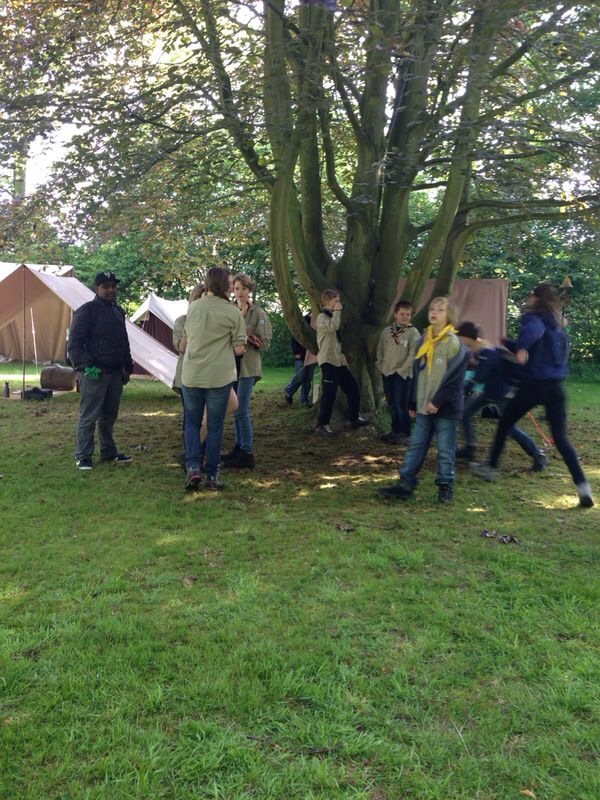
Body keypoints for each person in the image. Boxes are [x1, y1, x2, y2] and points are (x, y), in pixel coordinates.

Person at [470, 283, 594, 508]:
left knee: (505, 422)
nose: (528, 298)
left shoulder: (533, 318)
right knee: (561, 438)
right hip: (556, 387)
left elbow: (532, 336)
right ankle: (583, 487)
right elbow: (545, 348)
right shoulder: (555, 323)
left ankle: (490, 467)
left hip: (533, 386)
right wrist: (509, 343)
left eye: (530, 294)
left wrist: (521, 348)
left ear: (535, 297)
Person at [378, 296, 469, 503]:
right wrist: (412, 402)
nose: (434, 312)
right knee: (416, 445)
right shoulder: (423, 341)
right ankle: (405, 483)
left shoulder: (453, 344)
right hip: (423, 406)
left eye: (440, 310)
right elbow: (416, 374)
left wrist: (437, 401)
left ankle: (445, 486)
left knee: (445, 450)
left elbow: (454, 382)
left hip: (445, 408)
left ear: (449, 315)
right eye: (432, 309)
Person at [180, 267, 246, 491]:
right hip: (219, 376)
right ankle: (211, 474)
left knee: (192, 422)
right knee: (215, 425)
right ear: (226, 285)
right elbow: (239, 349)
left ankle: (192, 467)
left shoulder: (194, 307)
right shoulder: (233, 312)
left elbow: (187, 339)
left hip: (192, 374)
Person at [455, 321, 548, 470]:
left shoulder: (485, 351)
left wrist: (463, 391)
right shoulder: (481, 349)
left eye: (459, 336)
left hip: (501, 394)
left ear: (466, 337)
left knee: (509, 428)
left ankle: (538, 455)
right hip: (492, 392)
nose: (458, 339)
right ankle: (469, 447)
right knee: (466, 413)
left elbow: (480, 377)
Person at [68, 271, 134, 470]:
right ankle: (83, 456)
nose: (110, 290)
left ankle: (108, 451)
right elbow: (74, 344)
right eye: (105, 286)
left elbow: (123, 341)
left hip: (115, 373)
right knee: (89, 416)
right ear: (97, 288)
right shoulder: (86, 311)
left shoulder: (118, 311)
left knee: (108, 417)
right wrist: (87, 366)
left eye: (113, 286)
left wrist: (127, 366)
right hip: (94, 373)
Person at [222, 273, 272, 470]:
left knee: (241, 408)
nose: (239, 292)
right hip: (230, 367)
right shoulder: (229, 310)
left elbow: (265, 342)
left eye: (243, 288)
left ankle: (247, 452)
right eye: (236, 289)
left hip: (248, 367)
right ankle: (238, 447)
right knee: (234, 409)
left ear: (249, 290)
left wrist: (247, 336)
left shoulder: (258, 313)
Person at [315, 289, 368, 435]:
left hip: (338, 361)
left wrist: (341, 355)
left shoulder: (333, 316)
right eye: (336, 301)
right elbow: (333, 327)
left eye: (339, 300)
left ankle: (353, 418)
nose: (339, 304)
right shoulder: (321, 317)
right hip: (328, 361)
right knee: (329, 394)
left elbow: (335, 339)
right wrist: (338, 312)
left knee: (353, 388)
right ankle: (322, 424)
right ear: (327, 301)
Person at [376, 300, 420, 444]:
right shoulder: (387, 332)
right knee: (392, 403)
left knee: (401, 404)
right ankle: (394, 431)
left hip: (402, 374)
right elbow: (380, 350)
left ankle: (405, 433)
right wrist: (381, 365)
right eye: (402, 314)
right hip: (387, 372)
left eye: (408, 314)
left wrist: (402, 370)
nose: (405, 317)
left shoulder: (413, 332)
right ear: (395, 314)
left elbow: (413, 354)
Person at [284, 313, 315, 407]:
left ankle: (304, 400)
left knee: (308, 378)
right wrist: (296, 352)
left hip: (312, 354)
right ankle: (289, 391)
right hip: (301, 355)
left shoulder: (318, 321)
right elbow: (295, 337)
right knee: (300, 376)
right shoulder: (303, 321)